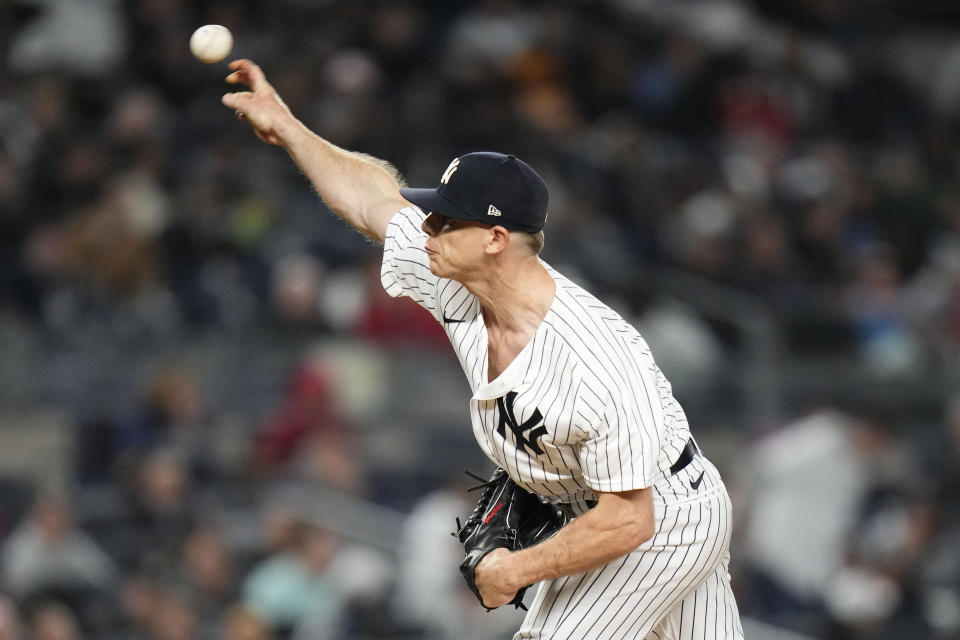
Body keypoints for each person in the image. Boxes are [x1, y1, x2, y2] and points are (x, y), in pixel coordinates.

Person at [222, 58, 743, 640]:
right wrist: (290, 128)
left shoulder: (593, 360)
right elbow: (371, 201)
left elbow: (630, 519)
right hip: (614, 503)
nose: (428, 229)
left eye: (447, 220)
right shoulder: (451, 272)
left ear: (496, 239)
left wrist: (517, 567)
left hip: (656, 519)